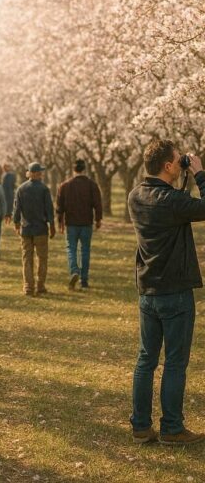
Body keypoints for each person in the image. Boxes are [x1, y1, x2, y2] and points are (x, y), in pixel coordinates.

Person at [128, 140, 205, 446]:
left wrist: (183, 177)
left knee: (146, 360)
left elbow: (179, 202)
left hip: (148, 291)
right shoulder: (171, 201)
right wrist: (199, 173)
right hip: (175, 291)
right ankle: (172, 428)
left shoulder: (136, 196)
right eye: (177, 160)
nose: (181, 163)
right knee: (174, 362)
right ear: (168, 166)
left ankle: (141, 427)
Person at [56, 159, 102, 290]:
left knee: (71, 248)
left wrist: (60, 222)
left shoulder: (65, 185)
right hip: (86, 222)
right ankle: (84, 281)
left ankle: (74, 270)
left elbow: (60, 207)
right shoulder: (92, 185)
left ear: (73, 170)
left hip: (71, 223)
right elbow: (97, 204)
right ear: (84, 169)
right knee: (85, 251)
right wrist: (98, 219)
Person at [13, 162, 55, 296]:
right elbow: (49, 209)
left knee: (27, 258)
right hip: (41, 229)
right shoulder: (44, 189)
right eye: (40, 172)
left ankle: (28, 286)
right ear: (36, 173)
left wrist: (16, 223)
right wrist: (52, 225)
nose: (42, 174)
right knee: (42, 258)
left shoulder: (21, 189)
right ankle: (40, 285)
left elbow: (17, 209)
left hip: (26, 229)